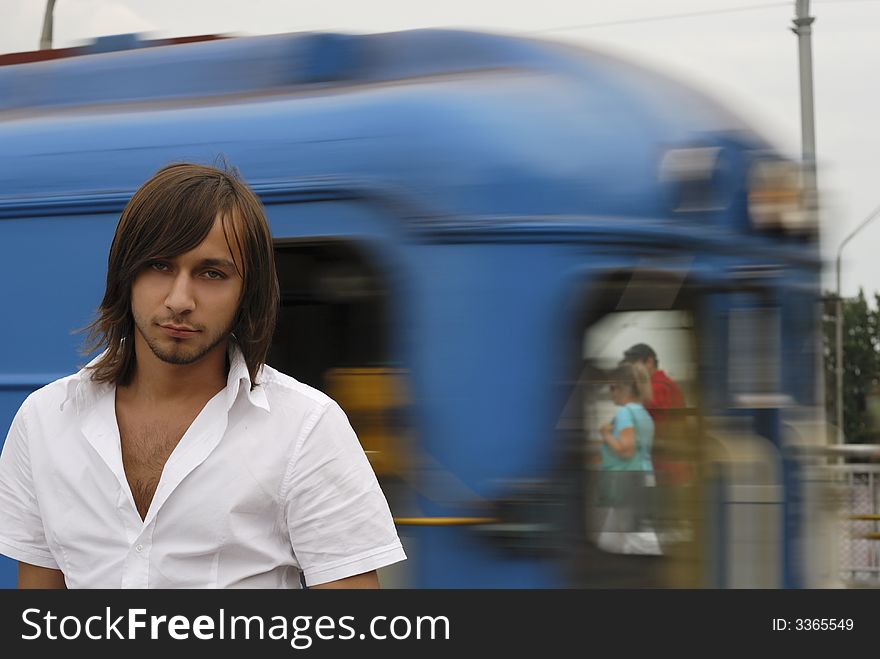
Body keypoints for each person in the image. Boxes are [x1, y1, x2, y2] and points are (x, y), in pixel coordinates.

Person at [0, 162, 406, 589]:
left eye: (212, 274)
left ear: (246, 294)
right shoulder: (43, 421)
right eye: (159, 266)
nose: (180, 300)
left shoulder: (306, 428)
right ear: (125, 275)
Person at [595, 362, 659, 555]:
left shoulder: (624, 413)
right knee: (609, 540)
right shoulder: (644, 414)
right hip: (643, 478)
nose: (610, 392)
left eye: (613, 387)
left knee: (640, 539)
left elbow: (626, 450)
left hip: (629, 480)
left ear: (625, 388)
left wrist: (606, 434)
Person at [621, 343, 687, 485]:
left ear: (649, 362)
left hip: (665, 465)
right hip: (666, 463)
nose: (632, 370)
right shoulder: (663, 384)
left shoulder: (658, 387)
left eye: (635, 364)